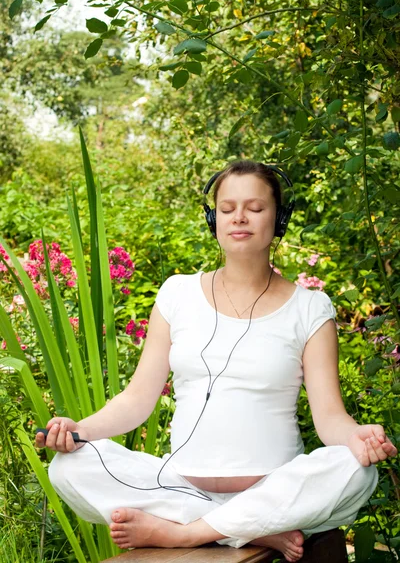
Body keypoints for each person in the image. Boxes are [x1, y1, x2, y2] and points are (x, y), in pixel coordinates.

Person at [36, 160, 397, 563]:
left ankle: (188, 534)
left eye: (255, 208)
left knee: (356, 469)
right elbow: (137, 400)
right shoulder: (177, 294)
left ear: (278, 218)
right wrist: (77, 431)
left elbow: (329, 418)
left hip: (272, 489)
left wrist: (357, 438)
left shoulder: (310, 308)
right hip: (179, 490)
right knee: (67, 468)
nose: (239, 218)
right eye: (226, 208)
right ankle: (246, 529)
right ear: (213, 218)